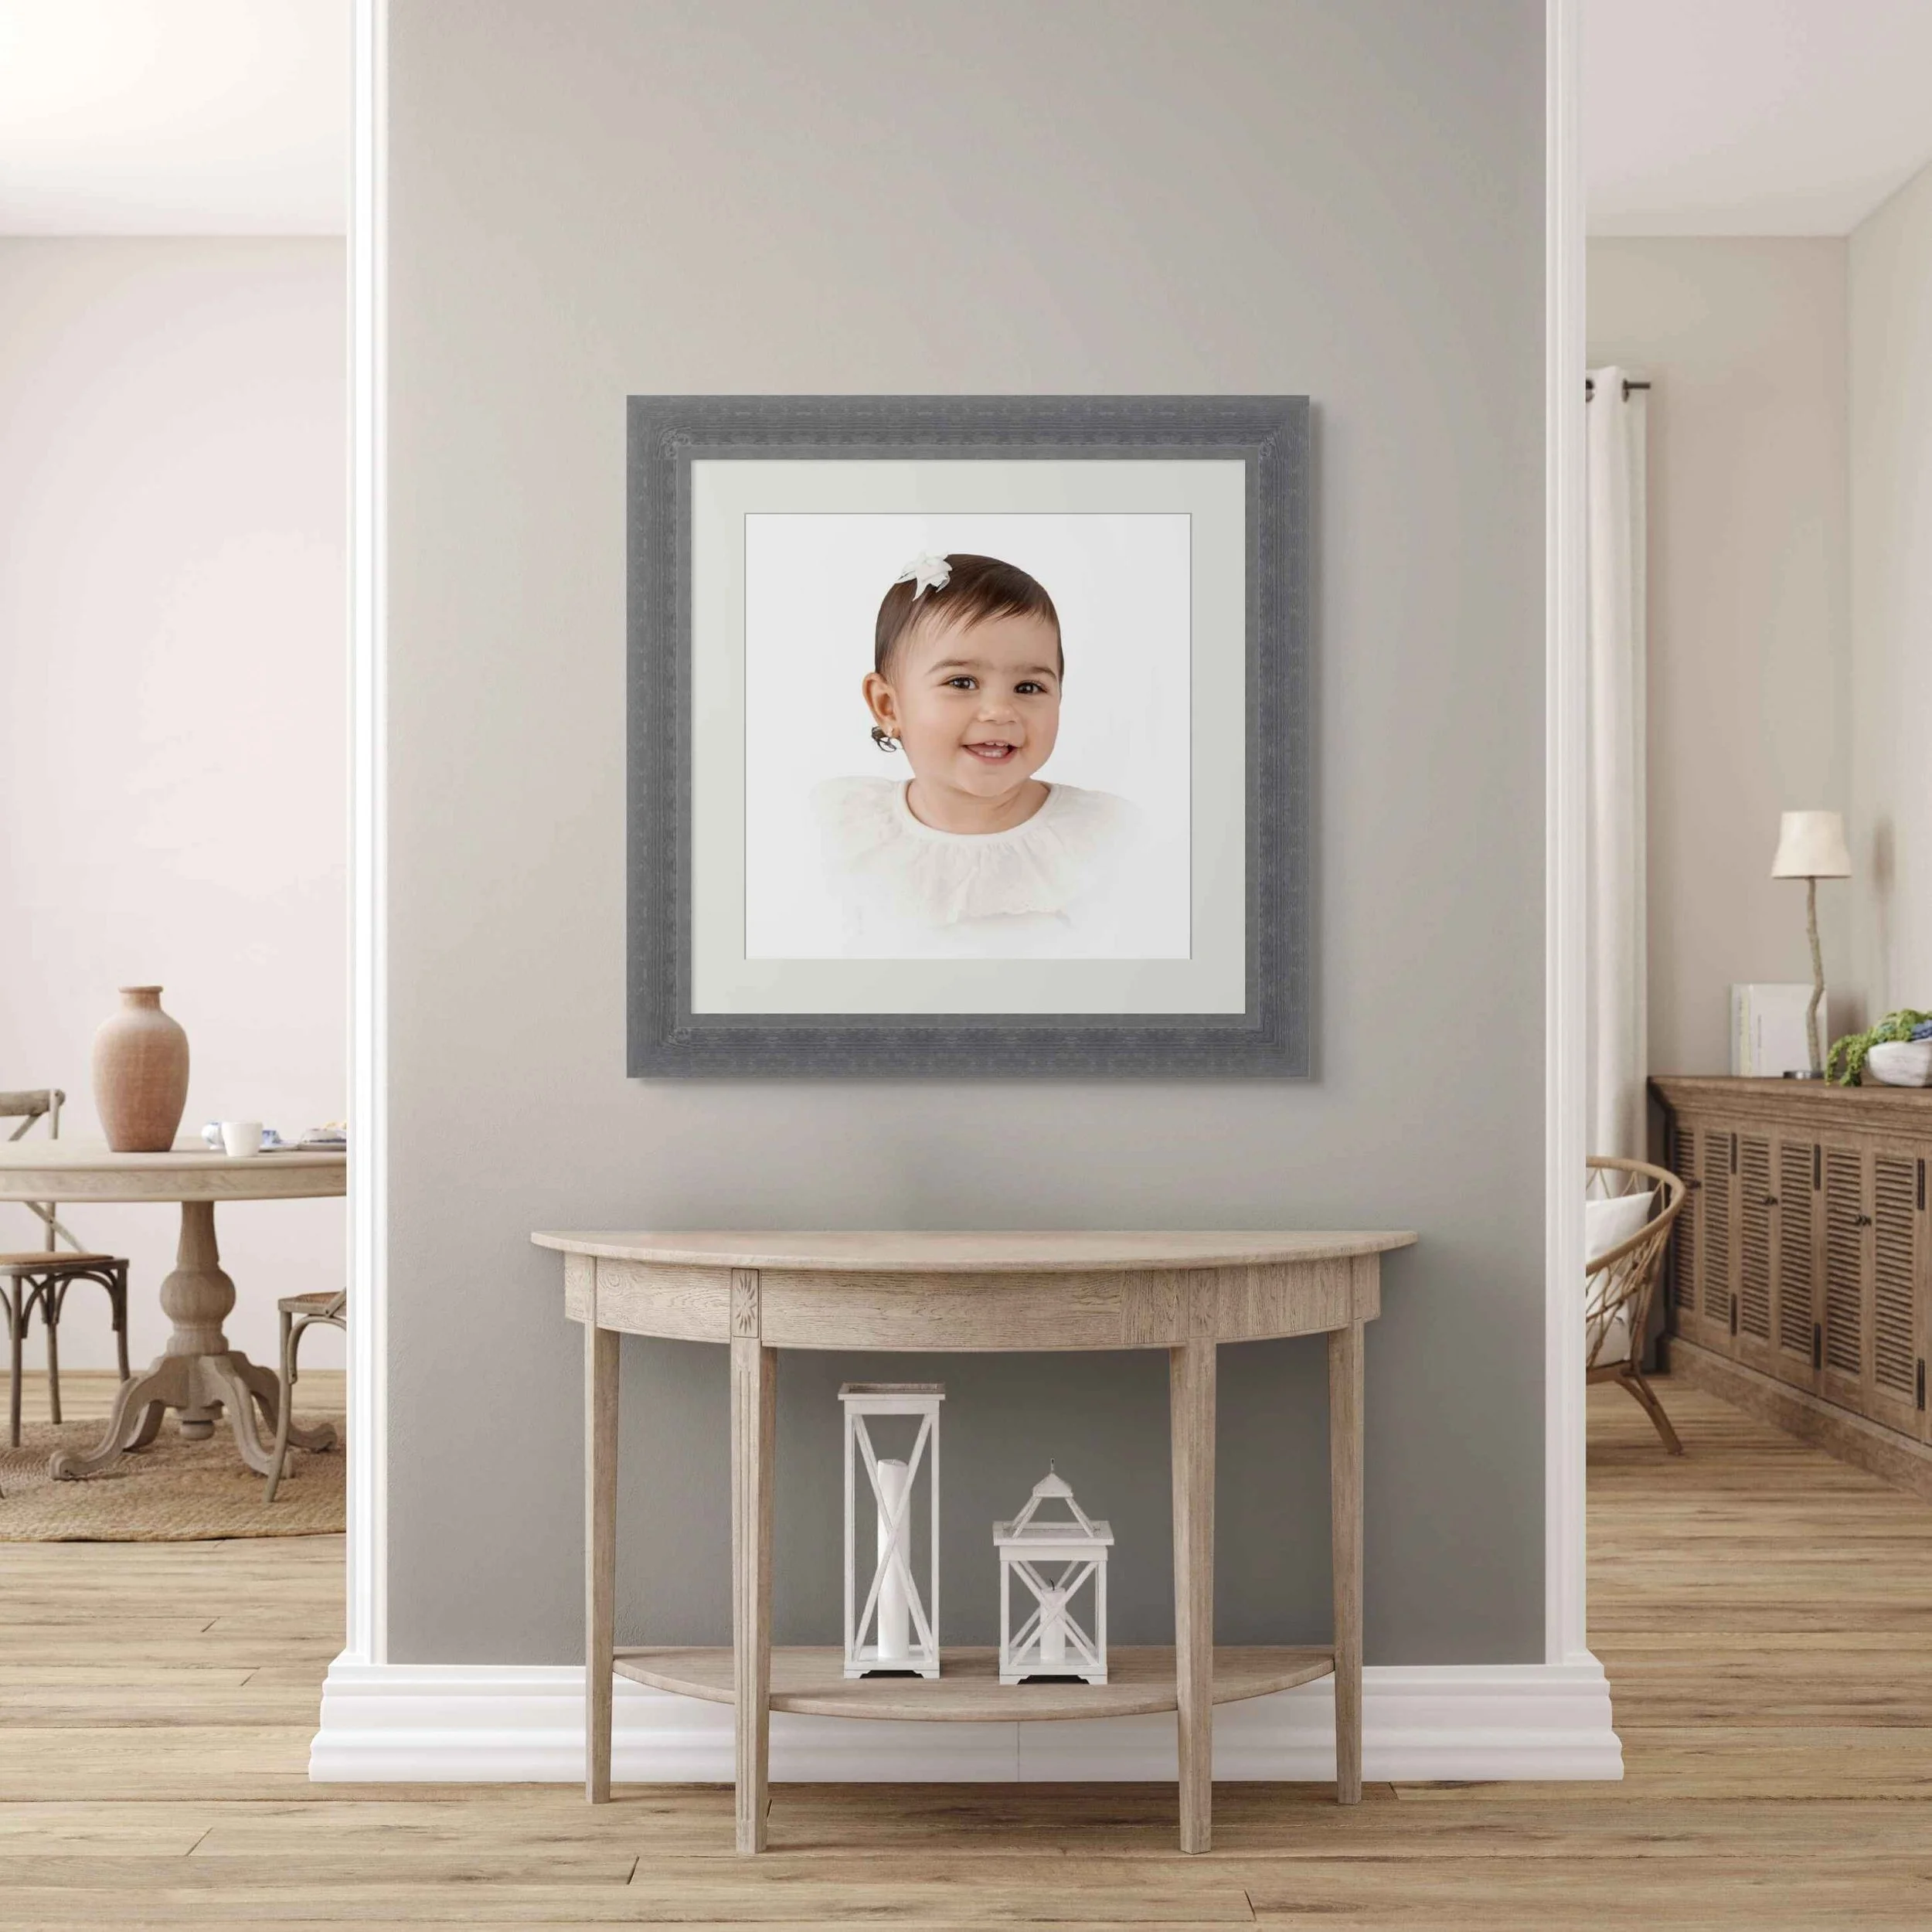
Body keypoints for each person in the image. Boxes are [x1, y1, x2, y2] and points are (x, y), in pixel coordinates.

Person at [813, 551, 1143, 957]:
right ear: (888, 706)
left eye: (1028, 687)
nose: (1000, 711)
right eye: (962, 682)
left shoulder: (1106, 838)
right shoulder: (842, 828)